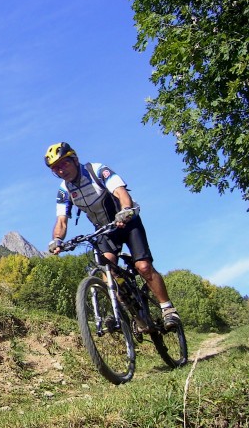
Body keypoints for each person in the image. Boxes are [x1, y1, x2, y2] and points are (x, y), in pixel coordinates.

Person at [44, 141, 181, 330]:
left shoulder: (96, 170)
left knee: (143, 266)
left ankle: (168, 309)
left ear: (75, 160)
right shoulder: (64, 190)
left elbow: (121, 192)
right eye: (55, 168)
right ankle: (124, 311)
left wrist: (125, 210)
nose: (60, 170)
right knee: (107, 270)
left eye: (64, 164)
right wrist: (57, 240)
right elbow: (61, 221)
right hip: (104, 230)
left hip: (127, 221)